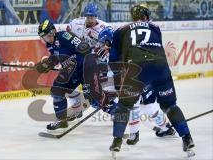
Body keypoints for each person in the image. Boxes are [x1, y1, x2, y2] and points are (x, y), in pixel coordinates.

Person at [97, 4, 195, 155]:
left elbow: (114, 61)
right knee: (170, 106)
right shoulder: (155, 28)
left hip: (136, 69)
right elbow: (154, 50)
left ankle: (117, 141)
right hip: (161, 67)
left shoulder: (120, 30)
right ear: (146, 17)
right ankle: (187, 138)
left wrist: (118, 85)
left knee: (124, 106)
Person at [36, 19, 114, 131]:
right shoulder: (49, 44)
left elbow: (85, 48)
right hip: (71, 72)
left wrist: (71, 61)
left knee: (93, 98)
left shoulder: (65, 36)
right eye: (43, 37)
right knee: (57, 90)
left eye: (47, 35)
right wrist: (46, 65)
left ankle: (116, 112)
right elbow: (58, 58)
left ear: (53, 31)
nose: (46, 39)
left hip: (85, 68)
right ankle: (62, 120)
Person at [65, 3, 115, 115]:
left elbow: (110, 42)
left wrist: (107, 46)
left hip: (99, 63)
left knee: (97, 94)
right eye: (88, 16)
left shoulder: (104, 28)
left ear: (97, 16)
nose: (90, 19)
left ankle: (115, 111)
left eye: (92, 16)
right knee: (68, 84)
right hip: (82, 61)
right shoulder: (76, 23)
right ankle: (77, 107)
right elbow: (67, 36)